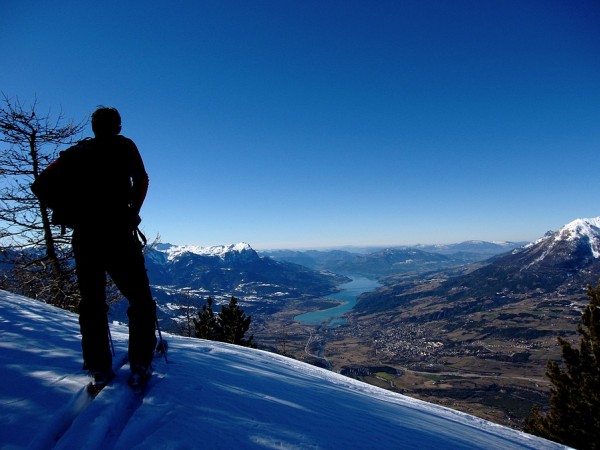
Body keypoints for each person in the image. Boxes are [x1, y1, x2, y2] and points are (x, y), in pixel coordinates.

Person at [40, 106, 157, 389]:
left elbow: (41, 185)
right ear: (117, 126)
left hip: (86, 237)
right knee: (140, 301)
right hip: (118, 234)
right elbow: (142, 180)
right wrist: (133, 211)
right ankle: (140, 362)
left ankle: (98, 366)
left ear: (93, 127)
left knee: (92, 304)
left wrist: (68, 211)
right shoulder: (124, 146)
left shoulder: (77, 153)